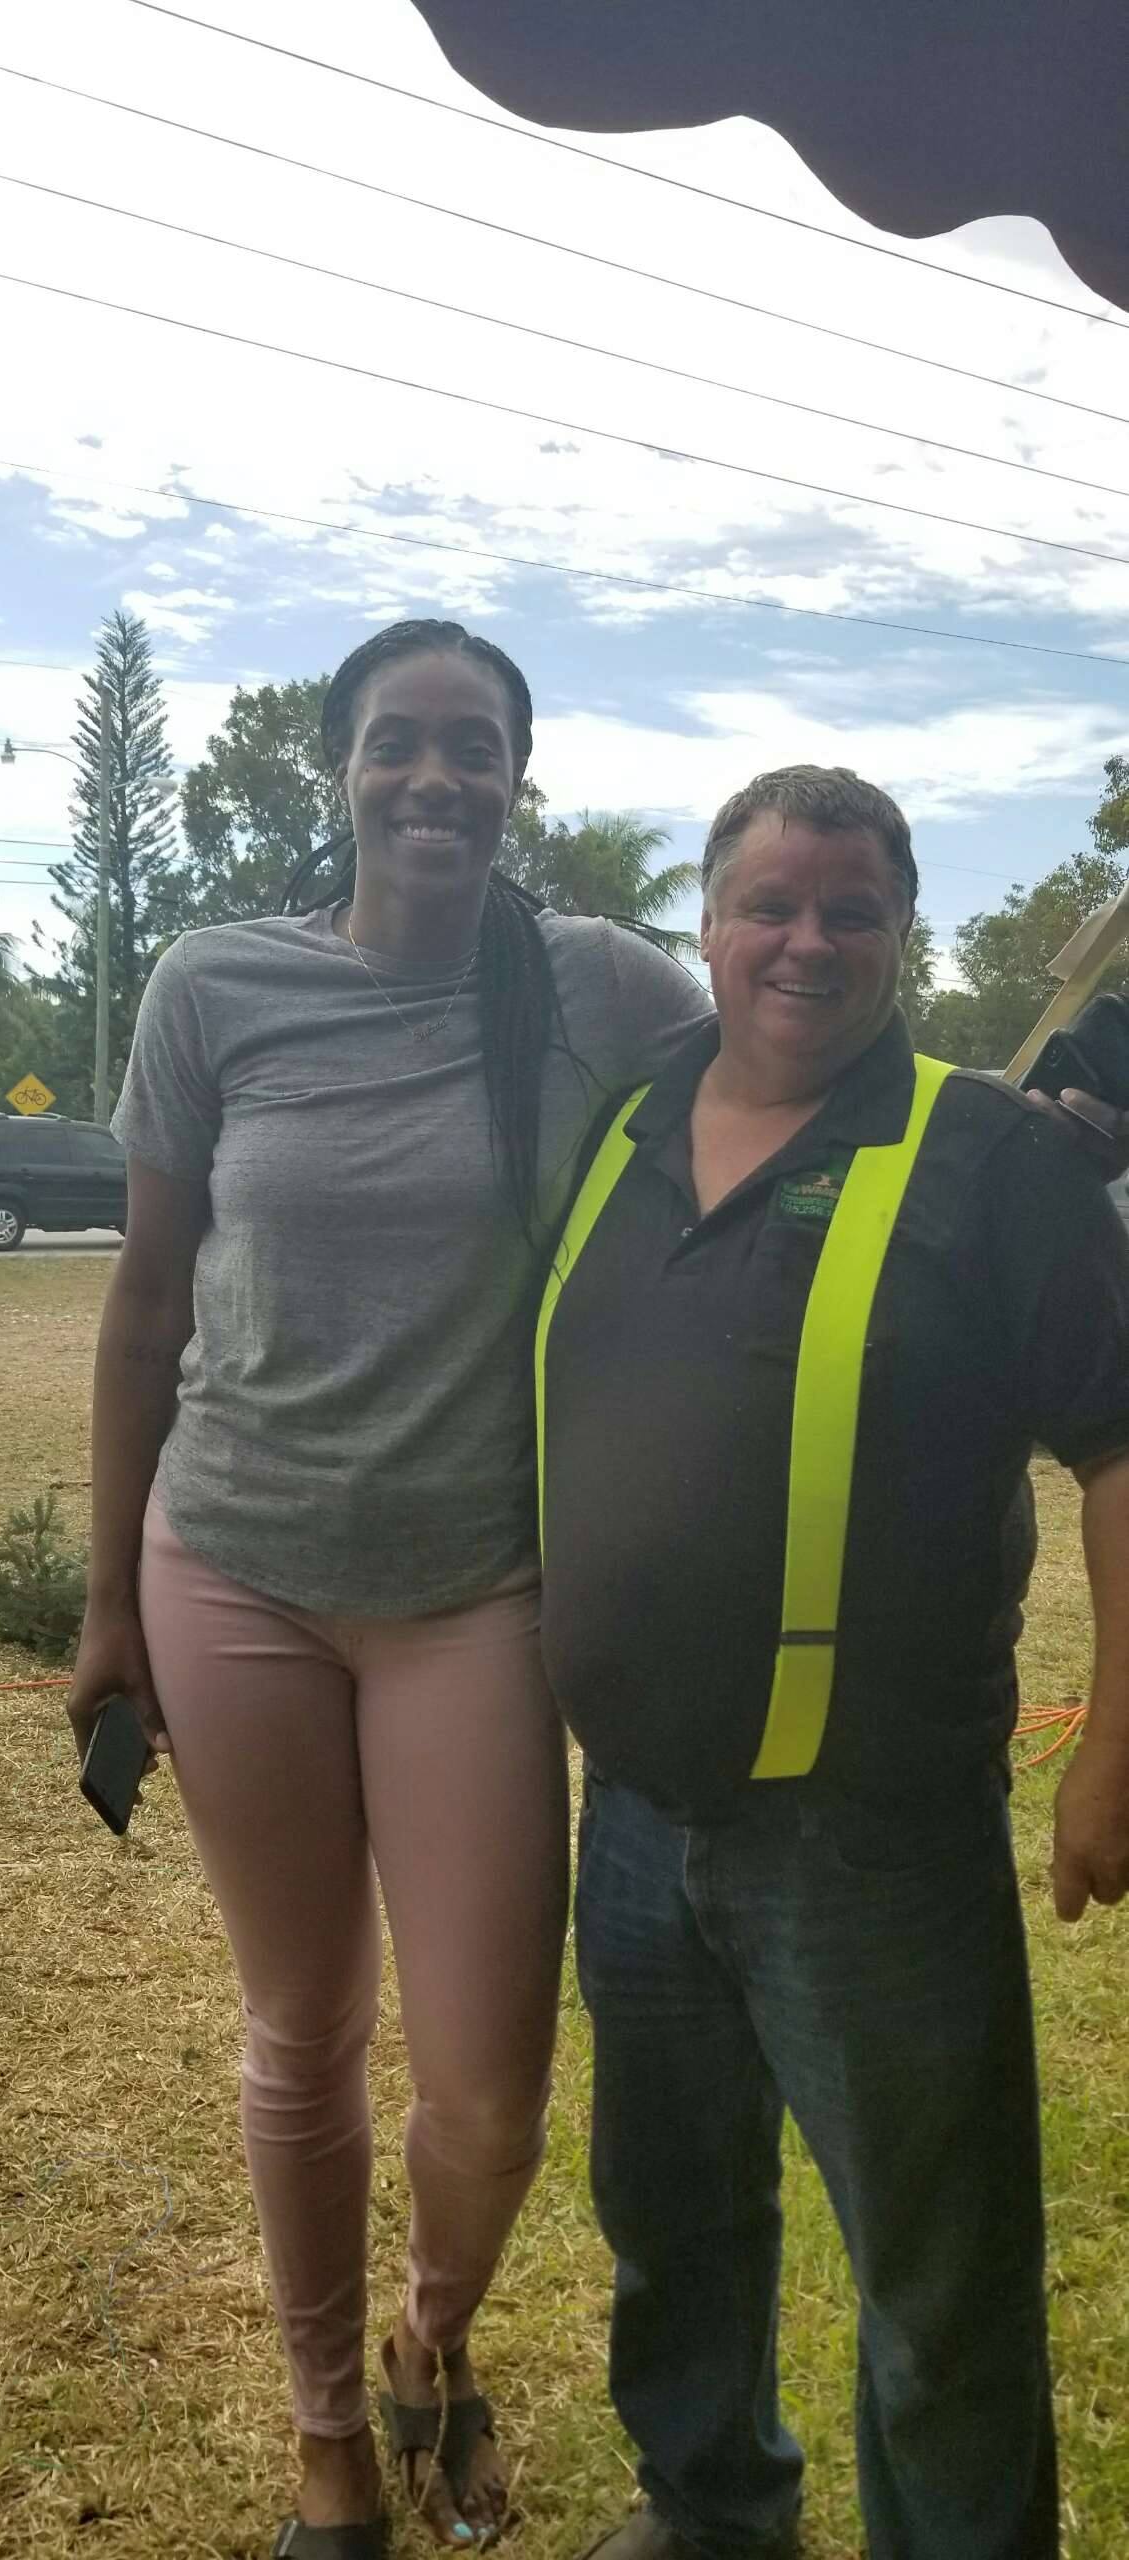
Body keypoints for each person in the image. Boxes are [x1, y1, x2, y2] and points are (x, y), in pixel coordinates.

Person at [64, 618, 712, 2557]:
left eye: (474, 747)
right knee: (303, 2024)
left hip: (474, 1595)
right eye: (397, 743)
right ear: (333, 770)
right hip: (232, 1570)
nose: (435, 777)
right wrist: (105, 1599)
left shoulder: (600, 986)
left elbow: (782, 1048)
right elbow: (144, 1302)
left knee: (494, 2089)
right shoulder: (212, 985)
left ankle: (436, 2342)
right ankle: (330, 2435)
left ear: (520, 778)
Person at [533, 766, 1129, 2560]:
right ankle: (712, 2508)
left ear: (901, 936)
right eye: (769, 905)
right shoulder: (631, 1117)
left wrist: (1117, 1744)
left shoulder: (994, 1159)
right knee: (671, 2218)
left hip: (871, 1836)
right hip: (633, 1812)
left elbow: (1121, 1449)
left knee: (937, 2287)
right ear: (704, 927)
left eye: (852, 909)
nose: (807, 940)